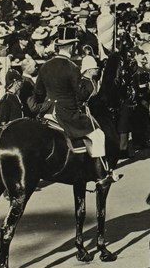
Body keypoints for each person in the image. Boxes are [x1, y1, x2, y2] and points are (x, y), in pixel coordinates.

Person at [30, 24, 120, 186]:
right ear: (71, 46)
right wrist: (89, 82)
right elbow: (81, 95)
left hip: (47, 112)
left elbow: (38, 93)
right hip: (67, 113)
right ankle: (101, 176)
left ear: (58, 47)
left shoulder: (44, 66)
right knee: (98, 135)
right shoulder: (72, 68)